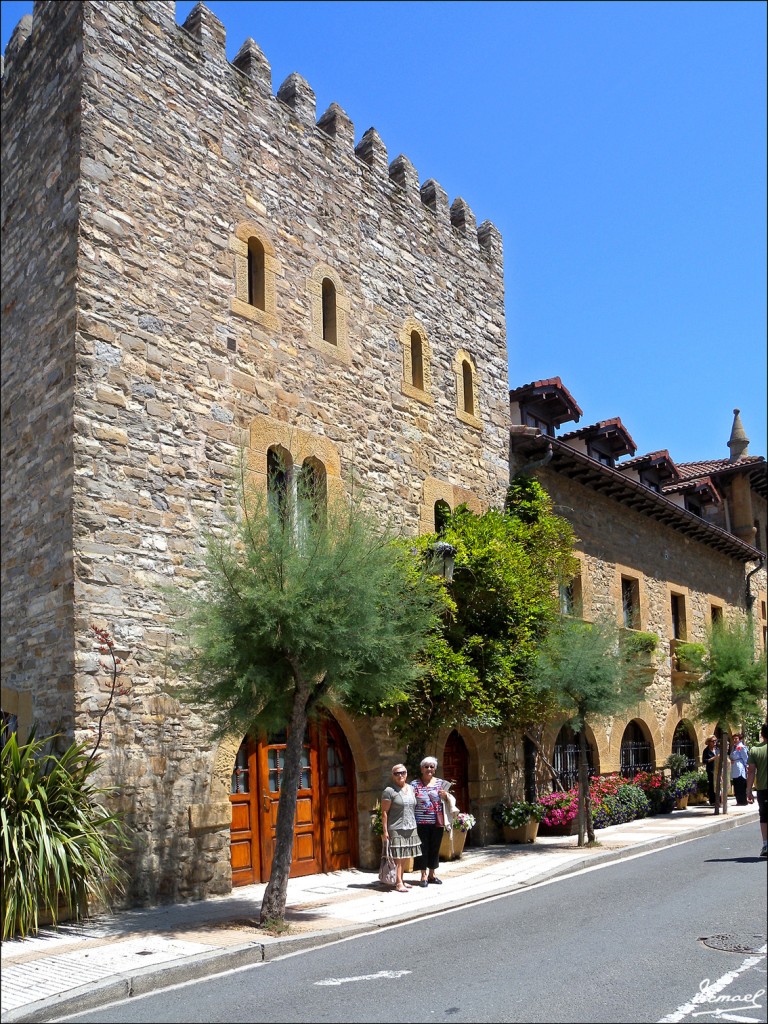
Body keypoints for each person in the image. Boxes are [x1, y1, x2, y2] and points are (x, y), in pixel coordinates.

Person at [380, 764, 422, 892]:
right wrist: (385, 831)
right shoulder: (389, 791)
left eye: (402, 772)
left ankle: (401, 879)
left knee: (405, 854)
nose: (400, 775)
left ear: (406, 773)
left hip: (411, 826)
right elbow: (384, 812)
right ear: (393, 776)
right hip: (396, 827)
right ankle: (398, 882)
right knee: (398, 856)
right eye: (397, 773)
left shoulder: (411, 789)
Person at [411, 756, 450, 887]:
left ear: (435, 769)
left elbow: (447, 801)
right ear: (421, 769)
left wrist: (445, 796)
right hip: (420, 822)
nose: (429, 769)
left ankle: (432, 874)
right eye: (426, 766)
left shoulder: (440, 783)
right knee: (422, 848)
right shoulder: (414, 784)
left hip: (437, 821)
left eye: (431, 766)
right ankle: (423, 875)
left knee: (435, 847)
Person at [746, 723, 768, 858]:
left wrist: (748, 790)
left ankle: (766, 845)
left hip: (763, 788)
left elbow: (751, 771)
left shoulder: (755, 750)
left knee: (764, 817)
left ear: (762, 734)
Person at [729, 733, 749, 805]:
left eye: (736, 738)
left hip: (740, 766)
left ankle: (743, 801)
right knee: (736, 785)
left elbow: (745, 758)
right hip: (734, 767)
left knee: (741, 784)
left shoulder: (741, 747)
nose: (734, 740)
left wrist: (747, 766)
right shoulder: (734, 747)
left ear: (739, 739)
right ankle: (738, 800)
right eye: (733, 739)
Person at [702, 735, 718, 805]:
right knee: (712, 785)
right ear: (709, 742)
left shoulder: (717, 749)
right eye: (713, 741)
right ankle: (712, 801)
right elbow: (704, 761)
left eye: (715, 741)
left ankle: (719, 799)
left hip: (718, 769)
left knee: (718, 785)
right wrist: (713, 758)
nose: (714, 742)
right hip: (711, 770)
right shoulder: (706, 751)